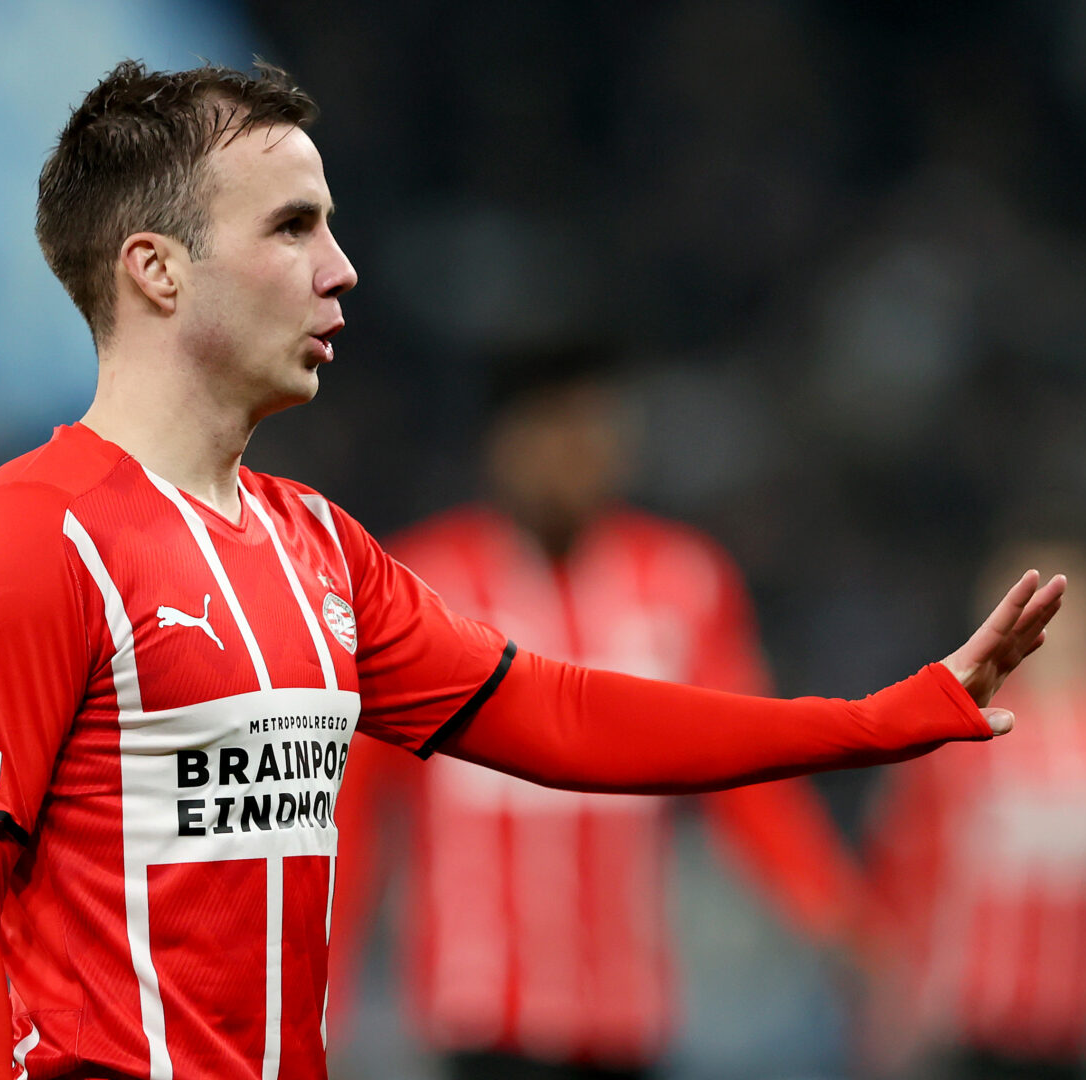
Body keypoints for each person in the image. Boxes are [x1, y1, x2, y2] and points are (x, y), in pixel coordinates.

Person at [0, 60, 1065, 1080]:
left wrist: (885, 718)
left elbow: (562, 716)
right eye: (292, 228)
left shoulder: (320, 550)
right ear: (156, 270)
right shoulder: (28, 543)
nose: (340, 269)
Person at [331, 346, 868, 1079]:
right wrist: (324, 987)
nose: (572, 455)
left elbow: (749, 776)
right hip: (480, 1011)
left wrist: (836, 914)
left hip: (628, 1013)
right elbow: (354, 803)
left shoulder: (682, 585)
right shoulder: (417, 587)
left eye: (590, 429)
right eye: (550, 430)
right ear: (502, 445)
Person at [861, 539, 1086, 1080]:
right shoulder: (955, 722)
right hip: (964, 1021)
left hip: (1085, 1024)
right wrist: (886, 987)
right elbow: (908, 859)